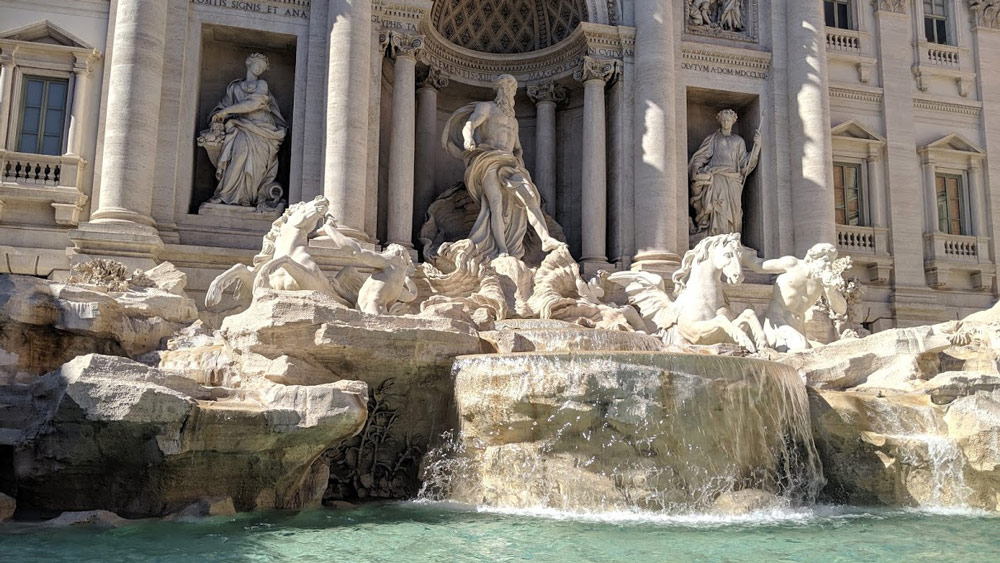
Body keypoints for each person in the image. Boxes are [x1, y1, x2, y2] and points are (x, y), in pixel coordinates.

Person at [442, 74, 564, 261]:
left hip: (510, 163)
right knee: (495, 205)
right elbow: (470, 124)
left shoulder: (513, 121)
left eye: (512, 89)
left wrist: (520, 161)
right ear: (498, 89)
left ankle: (546, 239)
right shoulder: (487, 108)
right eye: (506, 88)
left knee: (530, 197)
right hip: (488, 159)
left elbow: (517, 148)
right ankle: (502, 250)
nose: (509, 93)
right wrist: (468, 138)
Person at [204, 53, 287, 207]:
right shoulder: (234, 87)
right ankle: (225, 194)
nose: (260, 69)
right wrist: (219, 115)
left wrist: (226, 112)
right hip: (241, 126)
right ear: (249, 63)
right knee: (239, 155)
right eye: (258, 65)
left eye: (263, 67)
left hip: (263, 130)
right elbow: (222, 107)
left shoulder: (262, 84)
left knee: (256, 165)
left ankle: (246, 198)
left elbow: (253, 105)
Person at [742, 243, 848, 352]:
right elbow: (759, 266)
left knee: (831, 351)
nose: (827, 265)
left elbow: (841, 309)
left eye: (830, 261)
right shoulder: (793, 264)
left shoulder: (823, 282)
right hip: (777, 323)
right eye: (825, 260)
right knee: (801, 347)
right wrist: (740, 252)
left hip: (798, 329)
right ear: (813, 258)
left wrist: (831, 292)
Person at [689, 109, 760, 237]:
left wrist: (757, 147)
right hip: (717, 177)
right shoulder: (713, 139)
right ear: (720, 121)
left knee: (735, 212)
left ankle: (732, 239)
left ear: (733, 121)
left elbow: (745, 163)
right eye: (723, 120)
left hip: (733, 180)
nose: (726, 122)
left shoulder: (738, 141)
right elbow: (702, 156)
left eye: (728, 120)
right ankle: (717, 238)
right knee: (718, 209)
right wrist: (696, 168)